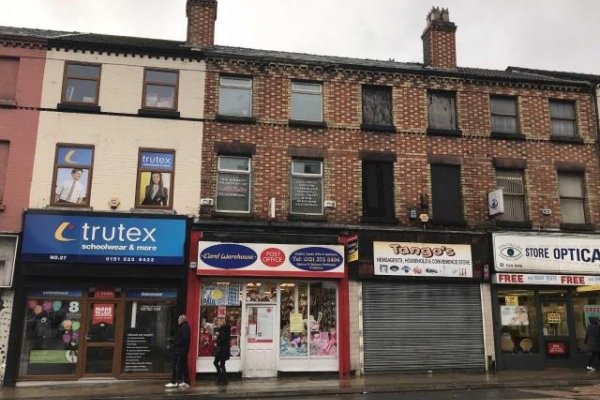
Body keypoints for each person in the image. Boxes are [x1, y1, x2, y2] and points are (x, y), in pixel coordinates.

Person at [165, 315, 190, 388]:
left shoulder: (184, 327)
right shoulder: (185, 327)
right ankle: (186, 381)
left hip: (180, 350)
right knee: (184, 365)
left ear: (182, 320)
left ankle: (174, 381)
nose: (178, 321)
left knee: (175, 365)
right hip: (183, 350)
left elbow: (184, 339)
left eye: (179, 319)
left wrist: (177, 345)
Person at [213, 316, 231, 385]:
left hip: (222, 350)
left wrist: (217, 342)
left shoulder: (223, 330)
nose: (217, 325)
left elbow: (222, 340)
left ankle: (223, 380)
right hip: (223, 350)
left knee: (220, 364)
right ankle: (221, 379)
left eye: (218, 323)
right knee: (220, 364)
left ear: (221, 323)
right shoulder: (224, 329)